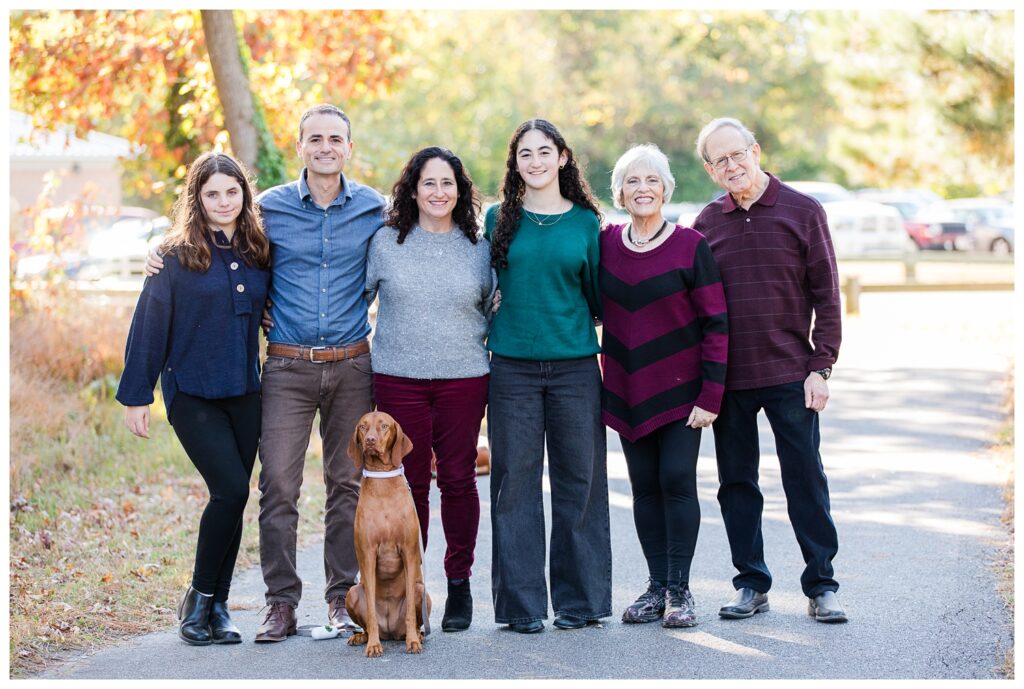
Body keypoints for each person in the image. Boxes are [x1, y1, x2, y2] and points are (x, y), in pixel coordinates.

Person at [146, 104, 385, 641]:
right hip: (285, 366)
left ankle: (341, 598)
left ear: (349, 147)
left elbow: (421, 231)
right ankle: (281, 602)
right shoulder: (269, 209)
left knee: (347, 484)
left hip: (352, 365)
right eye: (314, 139)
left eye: (335, 139)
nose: (325, 147)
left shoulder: (374, 208)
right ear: (300, 146)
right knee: (277, 485)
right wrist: (156, 250)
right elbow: (210, 235)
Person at [692, 117, 847, 623]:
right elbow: (695, 306)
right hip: (729, 379)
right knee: (737, 484)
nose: (732, 166)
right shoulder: (706, 224)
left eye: (737, 154)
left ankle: (821, 585)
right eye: (720, 160)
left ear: (755, 150)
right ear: (711, 170)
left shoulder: (803, 210)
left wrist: (821, 365)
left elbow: (827, 293)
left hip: (790, 372)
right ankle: (750, 583)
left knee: (804, 478)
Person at [117, 152, 271, 645]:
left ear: (244, 195)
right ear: (197, 199)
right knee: (230, 490)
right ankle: (198, 599)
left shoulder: (258, 248)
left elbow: (273, 304)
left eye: (232, 191)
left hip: (246, 390)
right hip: (192, 391)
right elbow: (149, 326)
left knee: (235, 497)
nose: (224, 201)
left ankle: (220, 608)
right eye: (212, 193)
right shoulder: (174, 256)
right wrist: (137, 395)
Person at [485, 118, 611, 634]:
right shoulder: (497, 220)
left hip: (576, 367)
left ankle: (580, 602)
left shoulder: (586, 223)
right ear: (515, 165)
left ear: (562, 157)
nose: (534, 162)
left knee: (579, 483)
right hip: (511, 368)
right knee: (514, 484)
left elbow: (600, 300)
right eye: (524, 155)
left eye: (544, 152)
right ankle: (521, 607)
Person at [365, 146, 494, 632]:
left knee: (459, 480)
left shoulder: (478, 248)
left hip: (464, 378)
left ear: (459, 191)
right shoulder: (385, 242)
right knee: (410, 484)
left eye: (447, 183)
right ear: (412, 190)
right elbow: (352, 299)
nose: (438, 193)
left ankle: (458, 584)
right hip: (398, 378)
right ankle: (412, 589)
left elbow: (495, 305)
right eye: (429, 184)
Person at [600, 144, 728, 628]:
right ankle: (655, 587)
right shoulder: (607, 243)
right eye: (632, 181)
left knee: (676, 482)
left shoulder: (690, 246)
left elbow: (716, 324)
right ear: (620, 192)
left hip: (683, 392)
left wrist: (711, 394)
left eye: (651, 180)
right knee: (644, 489)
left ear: (666, 188)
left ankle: (680, 591)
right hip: (627, 388)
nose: (642, 189)